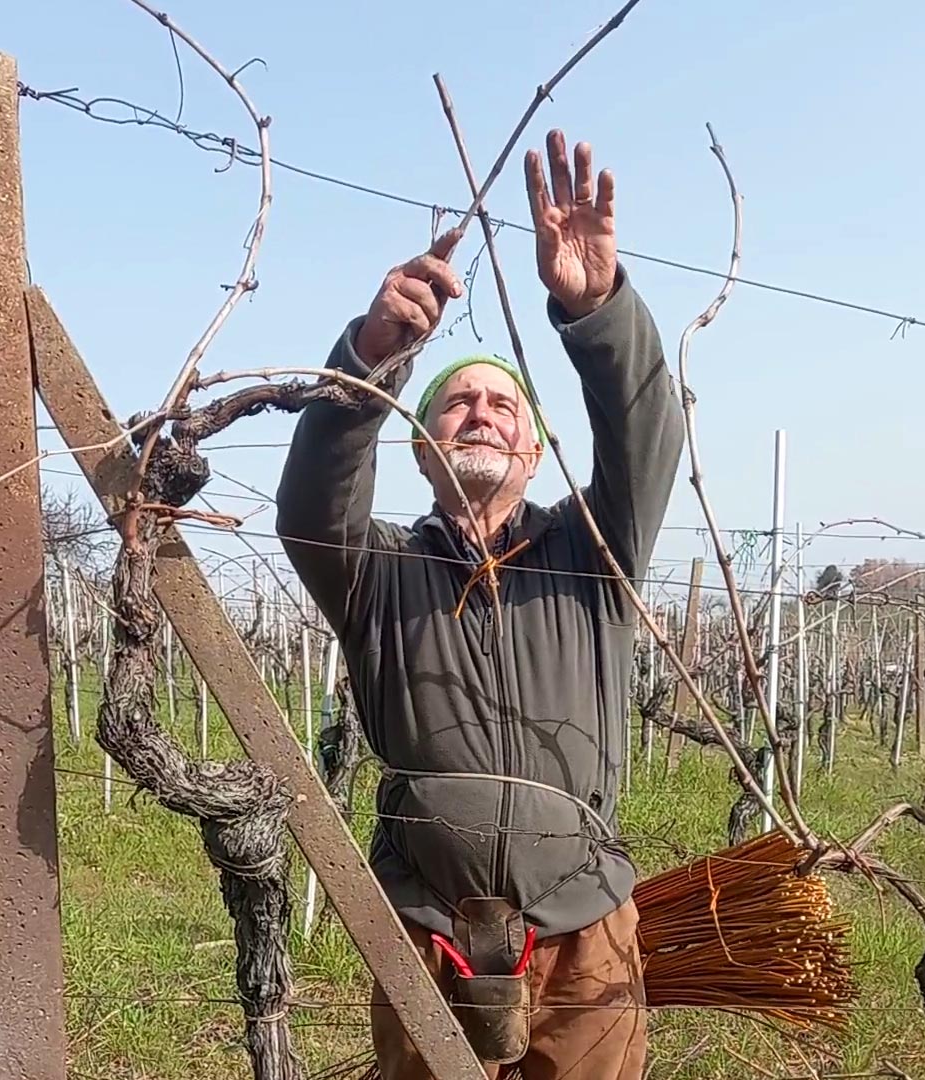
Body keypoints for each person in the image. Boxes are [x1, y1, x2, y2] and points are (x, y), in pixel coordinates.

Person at [276, 130, 685, 1080]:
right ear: (419, 448)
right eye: (456, 403)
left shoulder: (595, 555)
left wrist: (597, 313)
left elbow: (646, 443)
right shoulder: (378, 574)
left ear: (536, 452)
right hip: (425, 926)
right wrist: (373, 357)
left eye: (504, 407)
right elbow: (309, 509)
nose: (481, 414)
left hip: (585, 926)